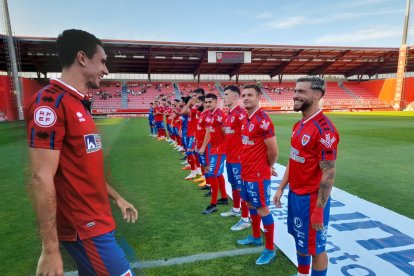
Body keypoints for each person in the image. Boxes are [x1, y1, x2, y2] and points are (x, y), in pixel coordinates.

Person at [25, 29, 138, 276]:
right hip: (84, 227)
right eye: (103, 61)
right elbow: (40, 177)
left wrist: (117, 198)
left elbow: (84, 169)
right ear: (82, 58)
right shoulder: (50, 102)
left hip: (98, 220)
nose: (106, 71)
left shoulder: (78, 102)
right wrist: (51, 250)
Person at [273, 76, 339, 276]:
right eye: (295, 91)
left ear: (317, 95)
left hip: (312, 199)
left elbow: (329, 172)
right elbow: (294, 160)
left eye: (301, 92)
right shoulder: (298, 125)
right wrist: (282, 187)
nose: (295, 95)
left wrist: (319, 209)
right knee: (300, 241)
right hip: (295, 195)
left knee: (317, 249)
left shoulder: (325, 130)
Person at [237, 84, 278, 265]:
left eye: (250, 95)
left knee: (262, 208)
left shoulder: (263, 120)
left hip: (258, 174)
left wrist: (267, 166)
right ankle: (255, 236)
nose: (246, 98)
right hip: (246, 171)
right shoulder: (246, 118)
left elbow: (273, 151)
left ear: (258, 97)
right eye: (244, 95)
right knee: (249, 204)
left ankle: (270, 249)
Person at [220, 85, 251, 231]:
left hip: (239, 159)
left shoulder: (240, 114)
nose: (223, 97)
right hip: (230, 157)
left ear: (235, 97)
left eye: (226, 94)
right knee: (233, 185)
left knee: (241, 188)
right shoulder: (229, 114)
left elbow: (249, 136)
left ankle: (245, 219)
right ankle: (236, 209)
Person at [199, 93, 228, 214]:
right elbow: (208, 133)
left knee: (211, 174)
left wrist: (229, 149)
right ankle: (225, 198)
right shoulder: (207, 115)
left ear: (216, 102)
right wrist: (203, 147)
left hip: (221, 150)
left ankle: (213, 204)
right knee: (218, 174)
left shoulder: (220, 115)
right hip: (213, 149)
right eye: (206, 102)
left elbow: (226, 133)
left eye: (210, 102)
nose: (207, 104)